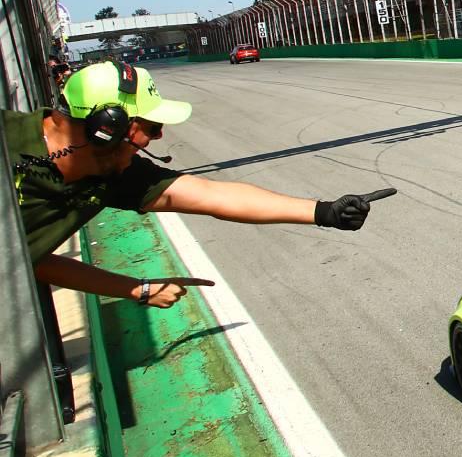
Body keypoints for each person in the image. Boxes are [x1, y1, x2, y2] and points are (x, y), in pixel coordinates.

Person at [6, 61, 396, 308]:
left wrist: (325, 212)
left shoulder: (116, 173)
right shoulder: (8, 139)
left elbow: (213, 195)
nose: (158, 137)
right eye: (152, 126)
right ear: (108, 126)